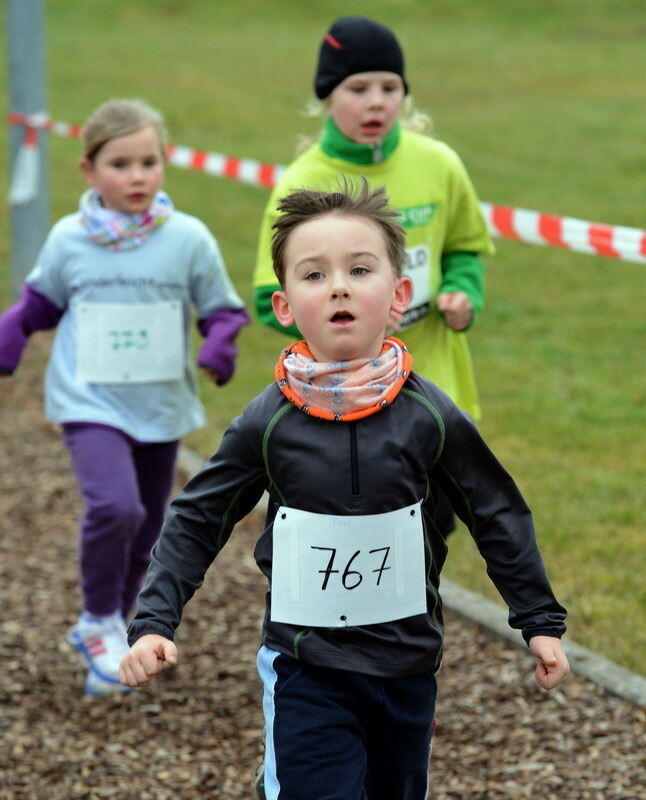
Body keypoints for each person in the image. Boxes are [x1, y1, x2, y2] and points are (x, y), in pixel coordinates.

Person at [120, 181, 569, 800]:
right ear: (283, 305)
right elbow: (198, 519)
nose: (338, 286)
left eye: (360, 269)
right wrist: (154, 622)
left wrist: (538, 620)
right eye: (314, 274)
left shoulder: (430, 416)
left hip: (408, 666)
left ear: (398, 296)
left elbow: (495, 510)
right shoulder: (267, 422)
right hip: (307, 667)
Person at [0, 98, 249, 696]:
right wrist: (9, 337)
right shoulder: (69, 239)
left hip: (159, 406)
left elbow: (223, 308)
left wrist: (219, 345)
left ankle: (117, 631)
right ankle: (94, 619)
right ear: (89, 171)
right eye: (120, 164)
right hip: (90, 401)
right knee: (117, 508)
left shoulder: (187, 238)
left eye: (148, 162)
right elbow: (40, 306)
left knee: (148, 529)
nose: (136, 176)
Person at [252, 16, 494, 538]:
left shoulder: (440, 164)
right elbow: (262, 298)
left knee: (428, 539)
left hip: (433, 393)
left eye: (390, 87)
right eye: (357, 88)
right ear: (326, 98)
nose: (376, 102)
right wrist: (341, 320)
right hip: (333, 409)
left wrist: (463, 292)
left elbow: (467, 248)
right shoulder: (301, 181)